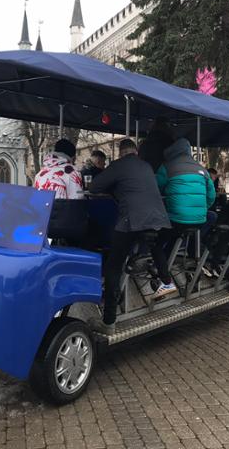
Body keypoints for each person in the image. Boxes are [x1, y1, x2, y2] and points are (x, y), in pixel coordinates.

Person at [89, 139, 175, 335]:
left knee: (113, 264)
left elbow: (94, 187)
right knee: (153, 245)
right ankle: (166, 280)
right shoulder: (146, 166)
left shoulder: (118, 165)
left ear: (121, 152)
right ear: (135, 152)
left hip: (131, 219)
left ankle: (108, 321)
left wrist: (113, 189)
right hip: (158, 219)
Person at [156, 138, 217, 255]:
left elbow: (156, 189)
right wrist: (201, 209)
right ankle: (192, 256)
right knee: (182, 230)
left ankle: (163, 268)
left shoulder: (167, 167)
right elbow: (211, 196)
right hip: (199, 220)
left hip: (175, 219)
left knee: (159, 243)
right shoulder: (202, 169)